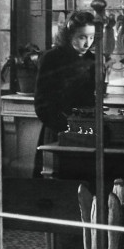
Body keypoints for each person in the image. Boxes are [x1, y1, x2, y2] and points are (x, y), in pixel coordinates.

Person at [33, 9, 97, 176]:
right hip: (57, 132)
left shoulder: (92, 60)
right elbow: (42, 105)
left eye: (91, 37)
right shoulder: (52, 58)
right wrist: (64, 128)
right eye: (82, 37)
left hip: (85, 132)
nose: (87, 43)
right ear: (69, 35)